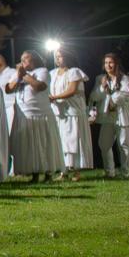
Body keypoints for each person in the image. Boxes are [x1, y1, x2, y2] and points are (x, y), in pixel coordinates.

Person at [6, 50, 63, 182]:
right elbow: (8, 89)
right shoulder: (18, 74)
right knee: (30, 146)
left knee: (44, 144)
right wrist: (19, 76)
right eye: (21, 59)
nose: (23, 61)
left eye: (26, 58)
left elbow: (39, 86)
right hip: (24, 115)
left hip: (40, 114)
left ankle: (48, 173)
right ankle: (34, 173)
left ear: (35, 60)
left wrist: (24, 75)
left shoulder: (42, 71)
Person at [88, 53, 129, 178]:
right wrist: (102, 87)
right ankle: (109, 172)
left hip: (123, 115)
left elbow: (127, 94)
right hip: (107, 116)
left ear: (116, 64)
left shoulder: (124, 78)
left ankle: (125, 172)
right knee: (104, 144)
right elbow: (93, 97)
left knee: (124, 144)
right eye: (106, 63)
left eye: (111, 62)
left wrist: (112, 100)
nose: (108, 65)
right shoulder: (100, 78)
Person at [48, 45, 92, 180]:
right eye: (56, 56)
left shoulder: (74, 72)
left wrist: (54, 97)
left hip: (73, 112)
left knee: (73, 141)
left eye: (60, 56)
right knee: (62, 142)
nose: (57, 59)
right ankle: (64, 171)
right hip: (59, 112)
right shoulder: (53, 73)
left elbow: (71, 90)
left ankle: (76, 171)